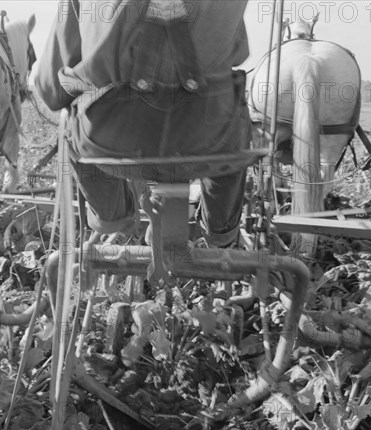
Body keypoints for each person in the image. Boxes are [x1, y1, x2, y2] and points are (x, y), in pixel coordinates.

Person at [34, 0, 251, 247]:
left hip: (108, 141)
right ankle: (220, 234)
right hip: (207, 137)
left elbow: (50, 89)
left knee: (71, 125)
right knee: (236, 129)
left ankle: (113, 219)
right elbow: (239, 52)